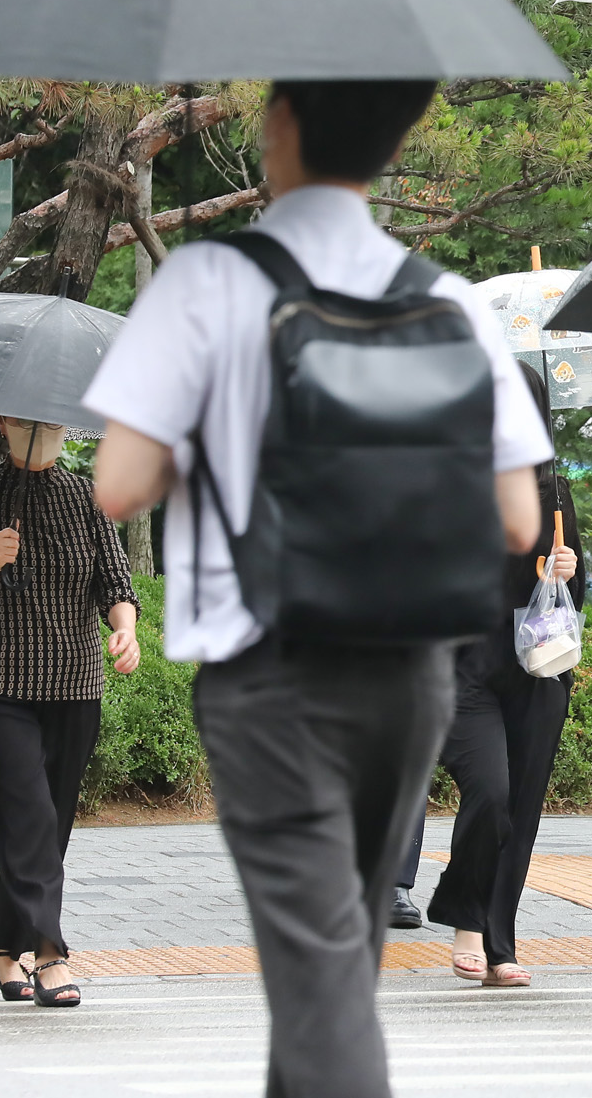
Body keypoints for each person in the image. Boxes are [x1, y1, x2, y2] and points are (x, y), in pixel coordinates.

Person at [86, 79, 551, 1098]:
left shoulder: (209, 280)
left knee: (321, 969)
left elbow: (117, 484)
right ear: (396, 141)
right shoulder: (448, 297)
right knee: (334, 962)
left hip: (271, 671)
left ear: (280, 124)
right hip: (415, 671)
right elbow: (518, 519)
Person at [0, 414, 142, 1007]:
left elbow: (116, 585)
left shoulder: (87, 495)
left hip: (76, 684)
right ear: (4, 423)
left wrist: (124, 632)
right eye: (30, 420)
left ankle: (1, 945)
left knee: (50, 824)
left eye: (52, 420)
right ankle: (48, 951)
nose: (43, 428)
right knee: (27, 813)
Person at [425, 363, 583, 989]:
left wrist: (566, 568)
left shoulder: (555, 492)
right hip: (464, 667)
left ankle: (500, 940)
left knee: (520, 808)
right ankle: (467, 920)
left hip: (537, 668)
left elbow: (574, 596)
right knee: (490, 793)